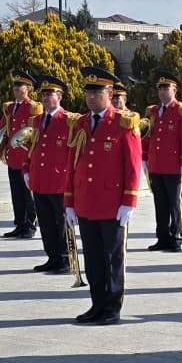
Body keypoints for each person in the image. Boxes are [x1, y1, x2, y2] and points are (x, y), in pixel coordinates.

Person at [65, 66, 141, 324]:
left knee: (112, 258)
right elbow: (72, 163)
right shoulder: (80, 123)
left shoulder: (123, 123)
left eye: (97, 92)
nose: (91, 96)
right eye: (88, 92)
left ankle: (112, 307)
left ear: (110, 93)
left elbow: (132, 165)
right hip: (86, 202)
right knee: (93, 259)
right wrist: (69, 201)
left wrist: (129, 201)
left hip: (112, 204)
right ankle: (96, 304)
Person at [26, 73, 79, 274]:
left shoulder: (69, 121)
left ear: (60, 97)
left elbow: (75, 152)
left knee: (62, 223)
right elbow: (30, 147)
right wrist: (26, 169)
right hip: (39, 180)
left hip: (60, 181)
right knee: (46, 222)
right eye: (44, 94)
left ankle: (66, 259)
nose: (46, 98)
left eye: (50, 94)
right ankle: (52, 257)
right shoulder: (36, 121)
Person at [142, 72, 182, 251]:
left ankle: (176, 236)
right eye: (160, 89)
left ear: (174, 90)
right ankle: (162, 237)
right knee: (160, 203)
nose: (163, 92)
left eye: (166, 88)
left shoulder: (181, 111)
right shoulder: (152, 111)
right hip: (156, 165)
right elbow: (147, 136)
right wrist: (145, 157)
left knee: (174, 203)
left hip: (173, 166)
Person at [0, 72, 41, 239]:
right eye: (14, 86)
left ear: (27, 89)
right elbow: (2, 127)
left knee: (28, 194)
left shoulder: (33, 107)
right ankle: (20, 224)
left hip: (26, 157)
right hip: (13, 157)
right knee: (16, 194)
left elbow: (35, 131)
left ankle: (30, 225)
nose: (16, 89)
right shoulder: (10, 107)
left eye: (19, 86)